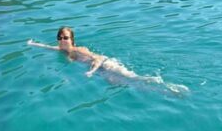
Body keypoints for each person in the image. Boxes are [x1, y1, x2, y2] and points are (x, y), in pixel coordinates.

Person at [28, 27, 189, 93]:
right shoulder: (61, 50)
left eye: (66, 38)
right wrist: (32, 44)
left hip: (105, 64)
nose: (62, 40)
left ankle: (158, 81)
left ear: (72, 40)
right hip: (100, 72)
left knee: (133, 77)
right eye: (60, 37)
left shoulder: (79, 50)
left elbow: (97, 58)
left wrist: (91, 71)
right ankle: (164, 91)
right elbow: (45, 47)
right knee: (124, 84)